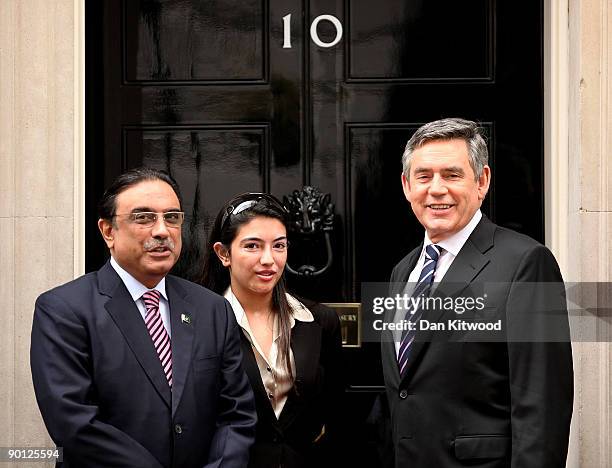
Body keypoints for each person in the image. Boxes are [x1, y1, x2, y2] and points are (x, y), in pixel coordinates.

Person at [30, 168, 256, 468]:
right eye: (144, 217)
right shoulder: (63, 310)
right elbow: (75, 424)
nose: (162, 230)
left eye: (172, 217)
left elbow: (236, 414)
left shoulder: (212, 309)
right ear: (108, 231)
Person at [381, 118, 573, 467]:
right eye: (424, 176)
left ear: (482, 181)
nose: (436, 189)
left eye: (452, 175)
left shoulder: (527, 264)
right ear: (407, 186)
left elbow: (541, 407)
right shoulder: (402, 271)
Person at [198, 192, 343, 468]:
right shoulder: (200, 324)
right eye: (253, 246)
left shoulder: (321, 321)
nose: (269, 259)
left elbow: (337, 415)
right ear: (223, 253)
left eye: (279, 246)